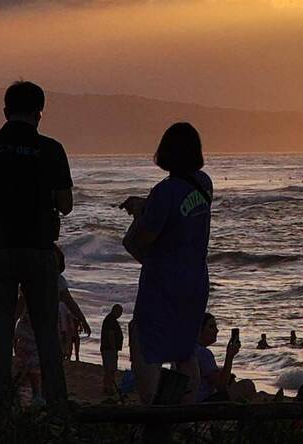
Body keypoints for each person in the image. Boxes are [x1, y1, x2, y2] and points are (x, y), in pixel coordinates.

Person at [0, 79, 73, 405]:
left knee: (0, 328)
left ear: (5, 110)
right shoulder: (51, 149)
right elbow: (65, 204)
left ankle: (4, 401)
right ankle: (56, 405)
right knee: (45, 331)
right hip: (38, 246)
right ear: (40, 113)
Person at [121, 121, 213, 405]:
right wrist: (147, 205)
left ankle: (152, 405)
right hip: (195, 278)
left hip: (163, 281)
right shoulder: (204, 184)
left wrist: (139, 214)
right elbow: (178, 215)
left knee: (144, 341)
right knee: (185, 348)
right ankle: (185, 408)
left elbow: (144, 238)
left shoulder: (165, 191)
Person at [192, 313, 241, 402]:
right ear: (199, 330)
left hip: (194, 399)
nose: (217, 330)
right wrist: (229, 356)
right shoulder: (203, 353)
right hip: (203, 403)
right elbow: (221, 386)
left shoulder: (190, 349)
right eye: (211, 327)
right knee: (247, 385)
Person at [54, 248, 91, 361]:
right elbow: (70, 302)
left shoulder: (57, 281)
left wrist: (82, 319)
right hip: (40, 325)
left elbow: (70, 302)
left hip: (44, 325)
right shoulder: (56, 280)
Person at [100, 304, 125, 399]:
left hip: (109, 348)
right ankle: (108, 388)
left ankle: (107, 387)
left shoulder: (110, 319)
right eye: (120, 312)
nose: (120, 314)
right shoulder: (110, 320)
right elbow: (110, 334)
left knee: (109, 369)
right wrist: (113, 347)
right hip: (109, 349)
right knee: (110, 369)